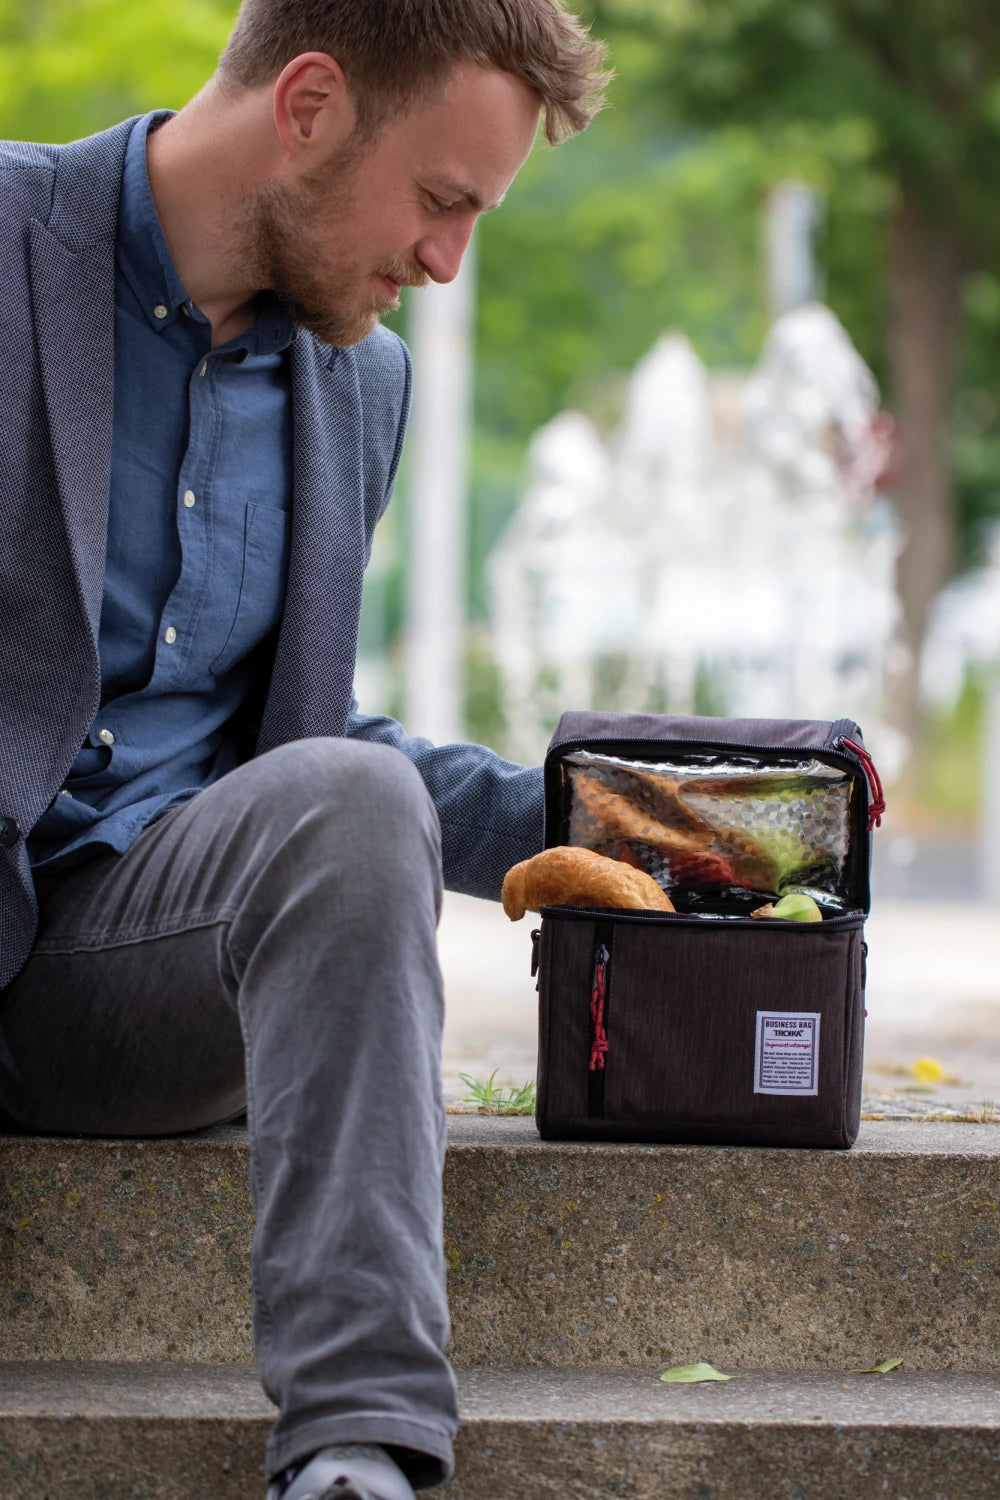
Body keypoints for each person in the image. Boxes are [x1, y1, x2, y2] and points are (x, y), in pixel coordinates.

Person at [0, 1, 608, 1495]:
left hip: (129, 983)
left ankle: (358, 1452)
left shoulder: (359, 383)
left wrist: (614, 811)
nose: (447, 262)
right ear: (311, 105)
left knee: (353, 792)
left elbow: (308, 748)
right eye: (442, 199)